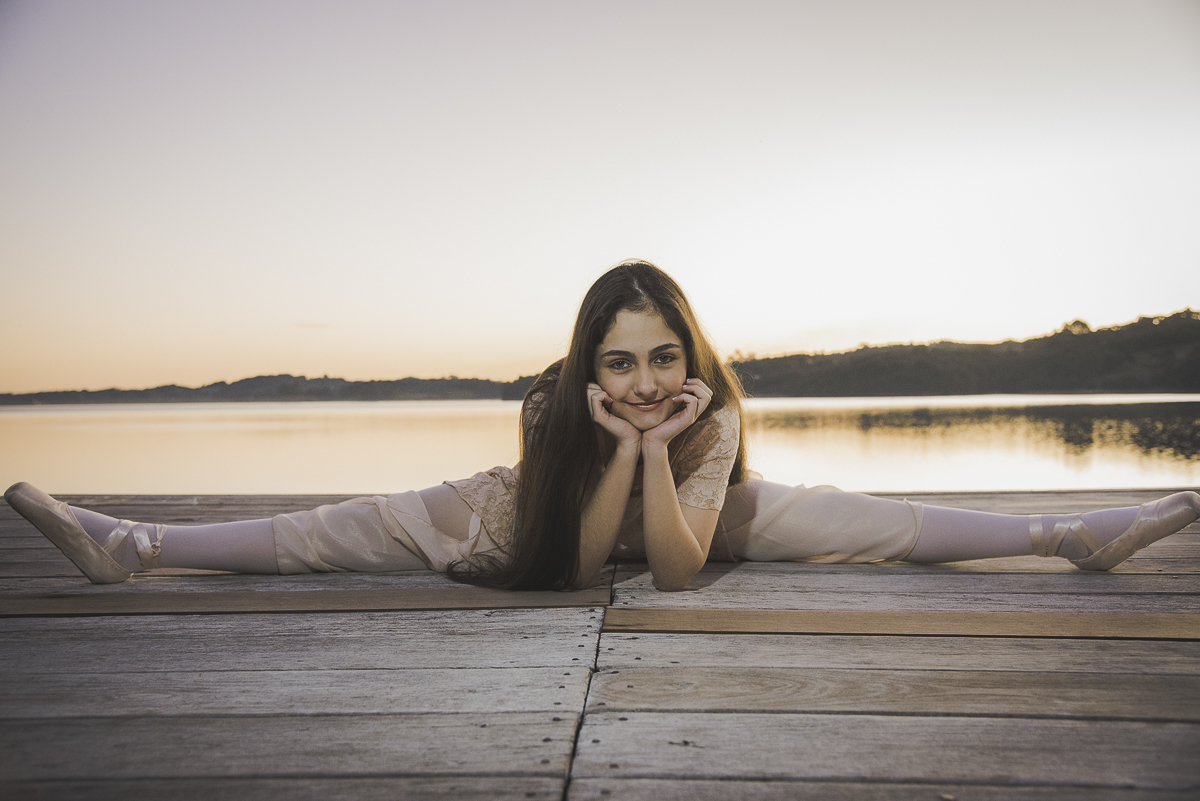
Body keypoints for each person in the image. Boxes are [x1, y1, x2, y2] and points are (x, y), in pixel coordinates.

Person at [6, 261, 1199, 591]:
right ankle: (140, 548)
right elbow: (577, 569)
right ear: (588, 364)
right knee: (339, 528)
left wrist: (667, 452)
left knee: (852, 519)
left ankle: (1067, 532)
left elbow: (673, 576)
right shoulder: (550, 413)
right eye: (618, 363)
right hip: (527, 529)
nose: (641, 382)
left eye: (661, 359)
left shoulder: (712, 418)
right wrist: (624, 449)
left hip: (686, 524)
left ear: (689, 355)